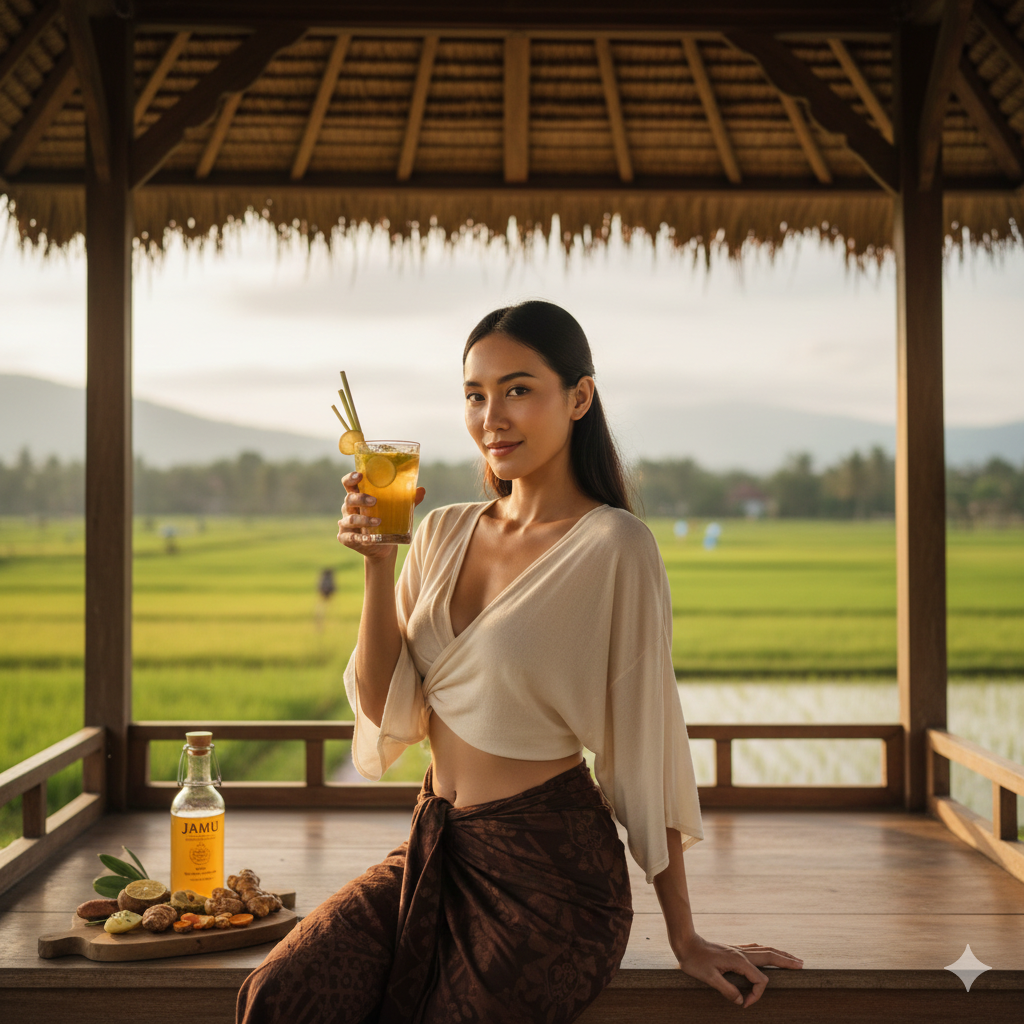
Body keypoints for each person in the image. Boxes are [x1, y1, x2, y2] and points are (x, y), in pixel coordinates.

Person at [236, 300, 803, 1023]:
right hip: (435, 847)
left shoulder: (615, 548)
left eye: (518, 389)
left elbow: (645, 746)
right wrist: (381, 567)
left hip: (553, 878)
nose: (490, 417)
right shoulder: (439, 531)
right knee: (278, 997)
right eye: (474, 395)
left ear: (579, 397)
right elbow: (387, 711)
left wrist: (684, 936)